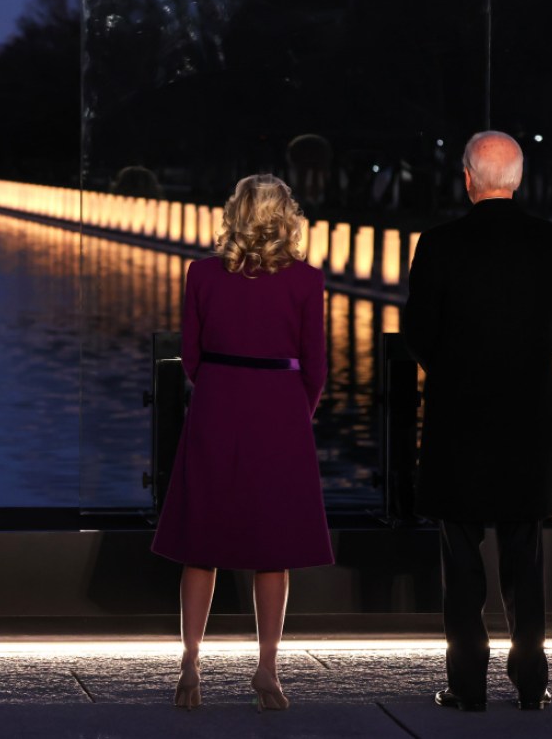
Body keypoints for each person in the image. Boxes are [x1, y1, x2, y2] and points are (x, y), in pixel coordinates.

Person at [403, 130, 552, 713]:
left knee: (461, 559)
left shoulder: (440, 243)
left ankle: (467, 684)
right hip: (526, 417)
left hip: (459, 418)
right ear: (518, 179)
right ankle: (530, 682)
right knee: (526, 558)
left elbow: (418, 333)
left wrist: (451, 372)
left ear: (469, 178)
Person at [151, 174, 332, 711]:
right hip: (280, 407)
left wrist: (218, 390)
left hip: (218, 401)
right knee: (272, 549)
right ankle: (268, 670)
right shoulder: (306, 279)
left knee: (200, 541)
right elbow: (316, 365)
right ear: (286, 217)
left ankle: (189, 664)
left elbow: (190, 356)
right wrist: (296, 412)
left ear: (235, 213)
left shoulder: (202, 274)